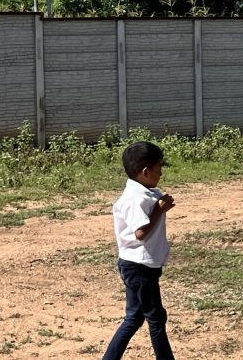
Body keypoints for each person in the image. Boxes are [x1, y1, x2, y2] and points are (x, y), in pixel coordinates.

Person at [101, 141, 176, 360]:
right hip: (139, 267)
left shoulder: (147, 192)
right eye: (159, 168)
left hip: (140, 265)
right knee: (156, 319)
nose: (161, 173)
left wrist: (159, 207)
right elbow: (141, 232)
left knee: (134, 318)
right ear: (145, 172)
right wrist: (159, 211)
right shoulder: (135, 199)